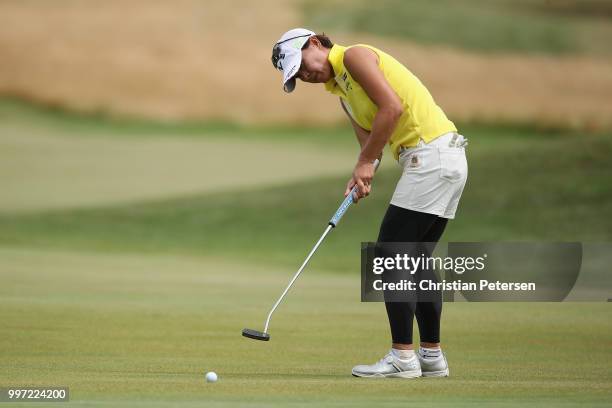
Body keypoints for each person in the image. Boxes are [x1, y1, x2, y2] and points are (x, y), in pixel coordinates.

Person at [271, 28, 468, 378]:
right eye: (297, 75)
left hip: (432, 155)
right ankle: (431, 357)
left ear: (314, 43)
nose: (305, 75)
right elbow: (372, 147)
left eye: (301, 64)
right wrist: (362, 172)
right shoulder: (344, 96)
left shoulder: (354, 56)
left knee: (390, 252)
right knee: (415, 255)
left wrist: (366, 162)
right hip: (440, 159)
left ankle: (403, 358)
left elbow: (391, 108)